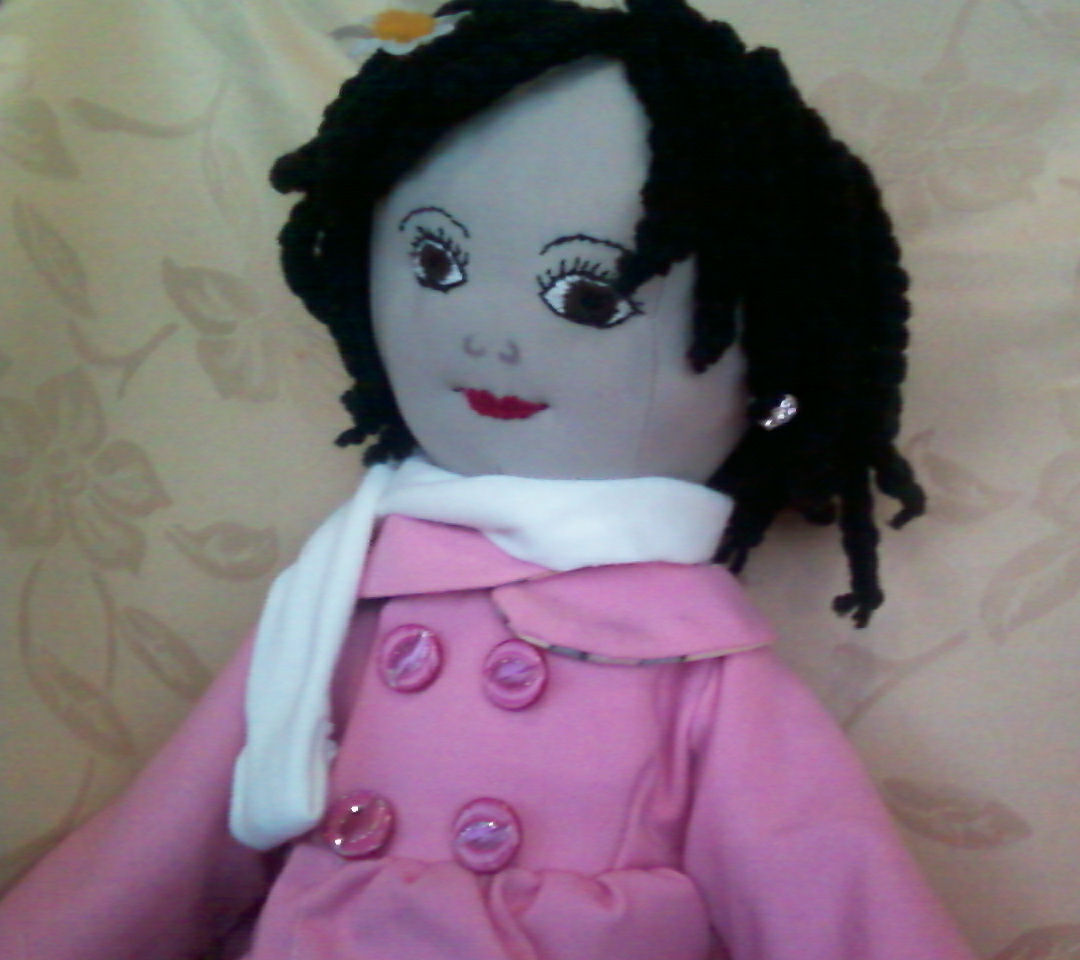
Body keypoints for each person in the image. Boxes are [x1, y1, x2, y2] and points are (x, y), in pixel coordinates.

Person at [0, 2, 973, 957]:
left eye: (586, 295)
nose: (485, 334)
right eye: (435, 259)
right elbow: (174, 836)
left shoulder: (691, 658)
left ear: (768, 352)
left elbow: (827, 888)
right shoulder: (348, 593)